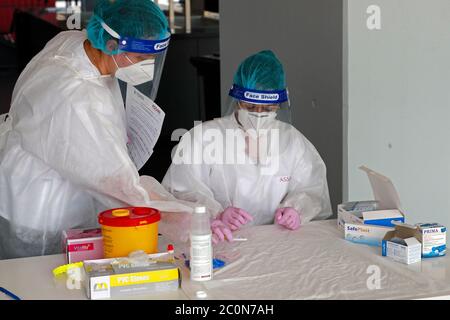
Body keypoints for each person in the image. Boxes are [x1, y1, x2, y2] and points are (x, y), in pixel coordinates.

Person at [0, 0, 190, 259]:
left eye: (152, 59)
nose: (146, 65)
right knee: (44, 279)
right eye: (139, 58)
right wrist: (188, 218)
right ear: (111, 45)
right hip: (43, 205)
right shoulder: (77, 97)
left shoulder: (74, 42)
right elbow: (121, 187)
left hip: (27, 172)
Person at [162, 50, 332, 244]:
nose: (258, 115)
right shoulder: (203, 138)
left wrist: (296, 209)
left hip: (275, 242)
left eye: (268, 109)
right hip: (220, 240)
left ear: (279, 105)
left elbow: (312, 187)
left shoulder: (291, 141)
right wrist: (215, 214)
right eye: (250, 107)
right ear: (237, 101)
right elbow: (180, 191)